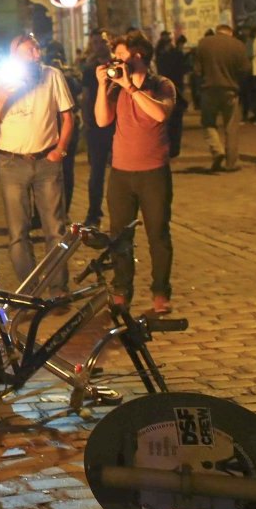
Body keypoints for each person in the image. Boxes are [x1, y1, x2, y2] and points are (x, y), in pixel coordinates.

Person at [0, 34, 75, 296]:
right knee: (17, 231)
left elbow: (68, 117)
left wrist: (60, 149)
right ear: (14, 58)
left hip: (47, 160)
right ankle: (30, 290)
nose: (36, 55)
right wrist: (2, 97)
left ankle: (58, 289)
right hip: (12, 162)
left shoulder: (52, 75)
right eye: (28, 52)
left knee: (55, 228)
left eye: (36, 49)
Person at [94, 31, 177, 316]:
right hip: (121, 172)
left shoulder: (162, 85)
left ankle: (160, 292)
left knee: (158, 233)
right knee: (119, 236)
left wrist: (130, 87)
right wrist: (102, 85)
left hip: (153, 172)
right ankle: (121, 291)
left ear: (138, 55)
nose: (116, 61)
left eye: (121, 56)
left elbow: (160, 114)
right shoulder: (116, 88)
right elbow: (102, 120)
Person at [194, 24, 249, 172]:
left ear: (217, 31)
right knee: (231, 126)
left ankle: (217, 149)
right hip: (231, 90)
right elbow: (245, 70)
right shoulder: (238, 45)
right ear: (230, 32)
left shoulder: (203, 44)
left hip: (208, 89)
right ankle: (231, 162)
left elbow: (197, 71)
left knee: (208, 123)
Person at [79, 30, 114, 227]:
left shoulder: (118, 66)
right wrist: (87, 121)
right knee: (97, 172)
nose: (99, 45)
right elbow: (85, 97)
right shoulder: (89, 69)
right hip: (96, 125)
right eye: (95, 43)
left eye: (102, 41)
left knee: (119, 170)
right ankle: (94, 213)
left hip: (116, 124)